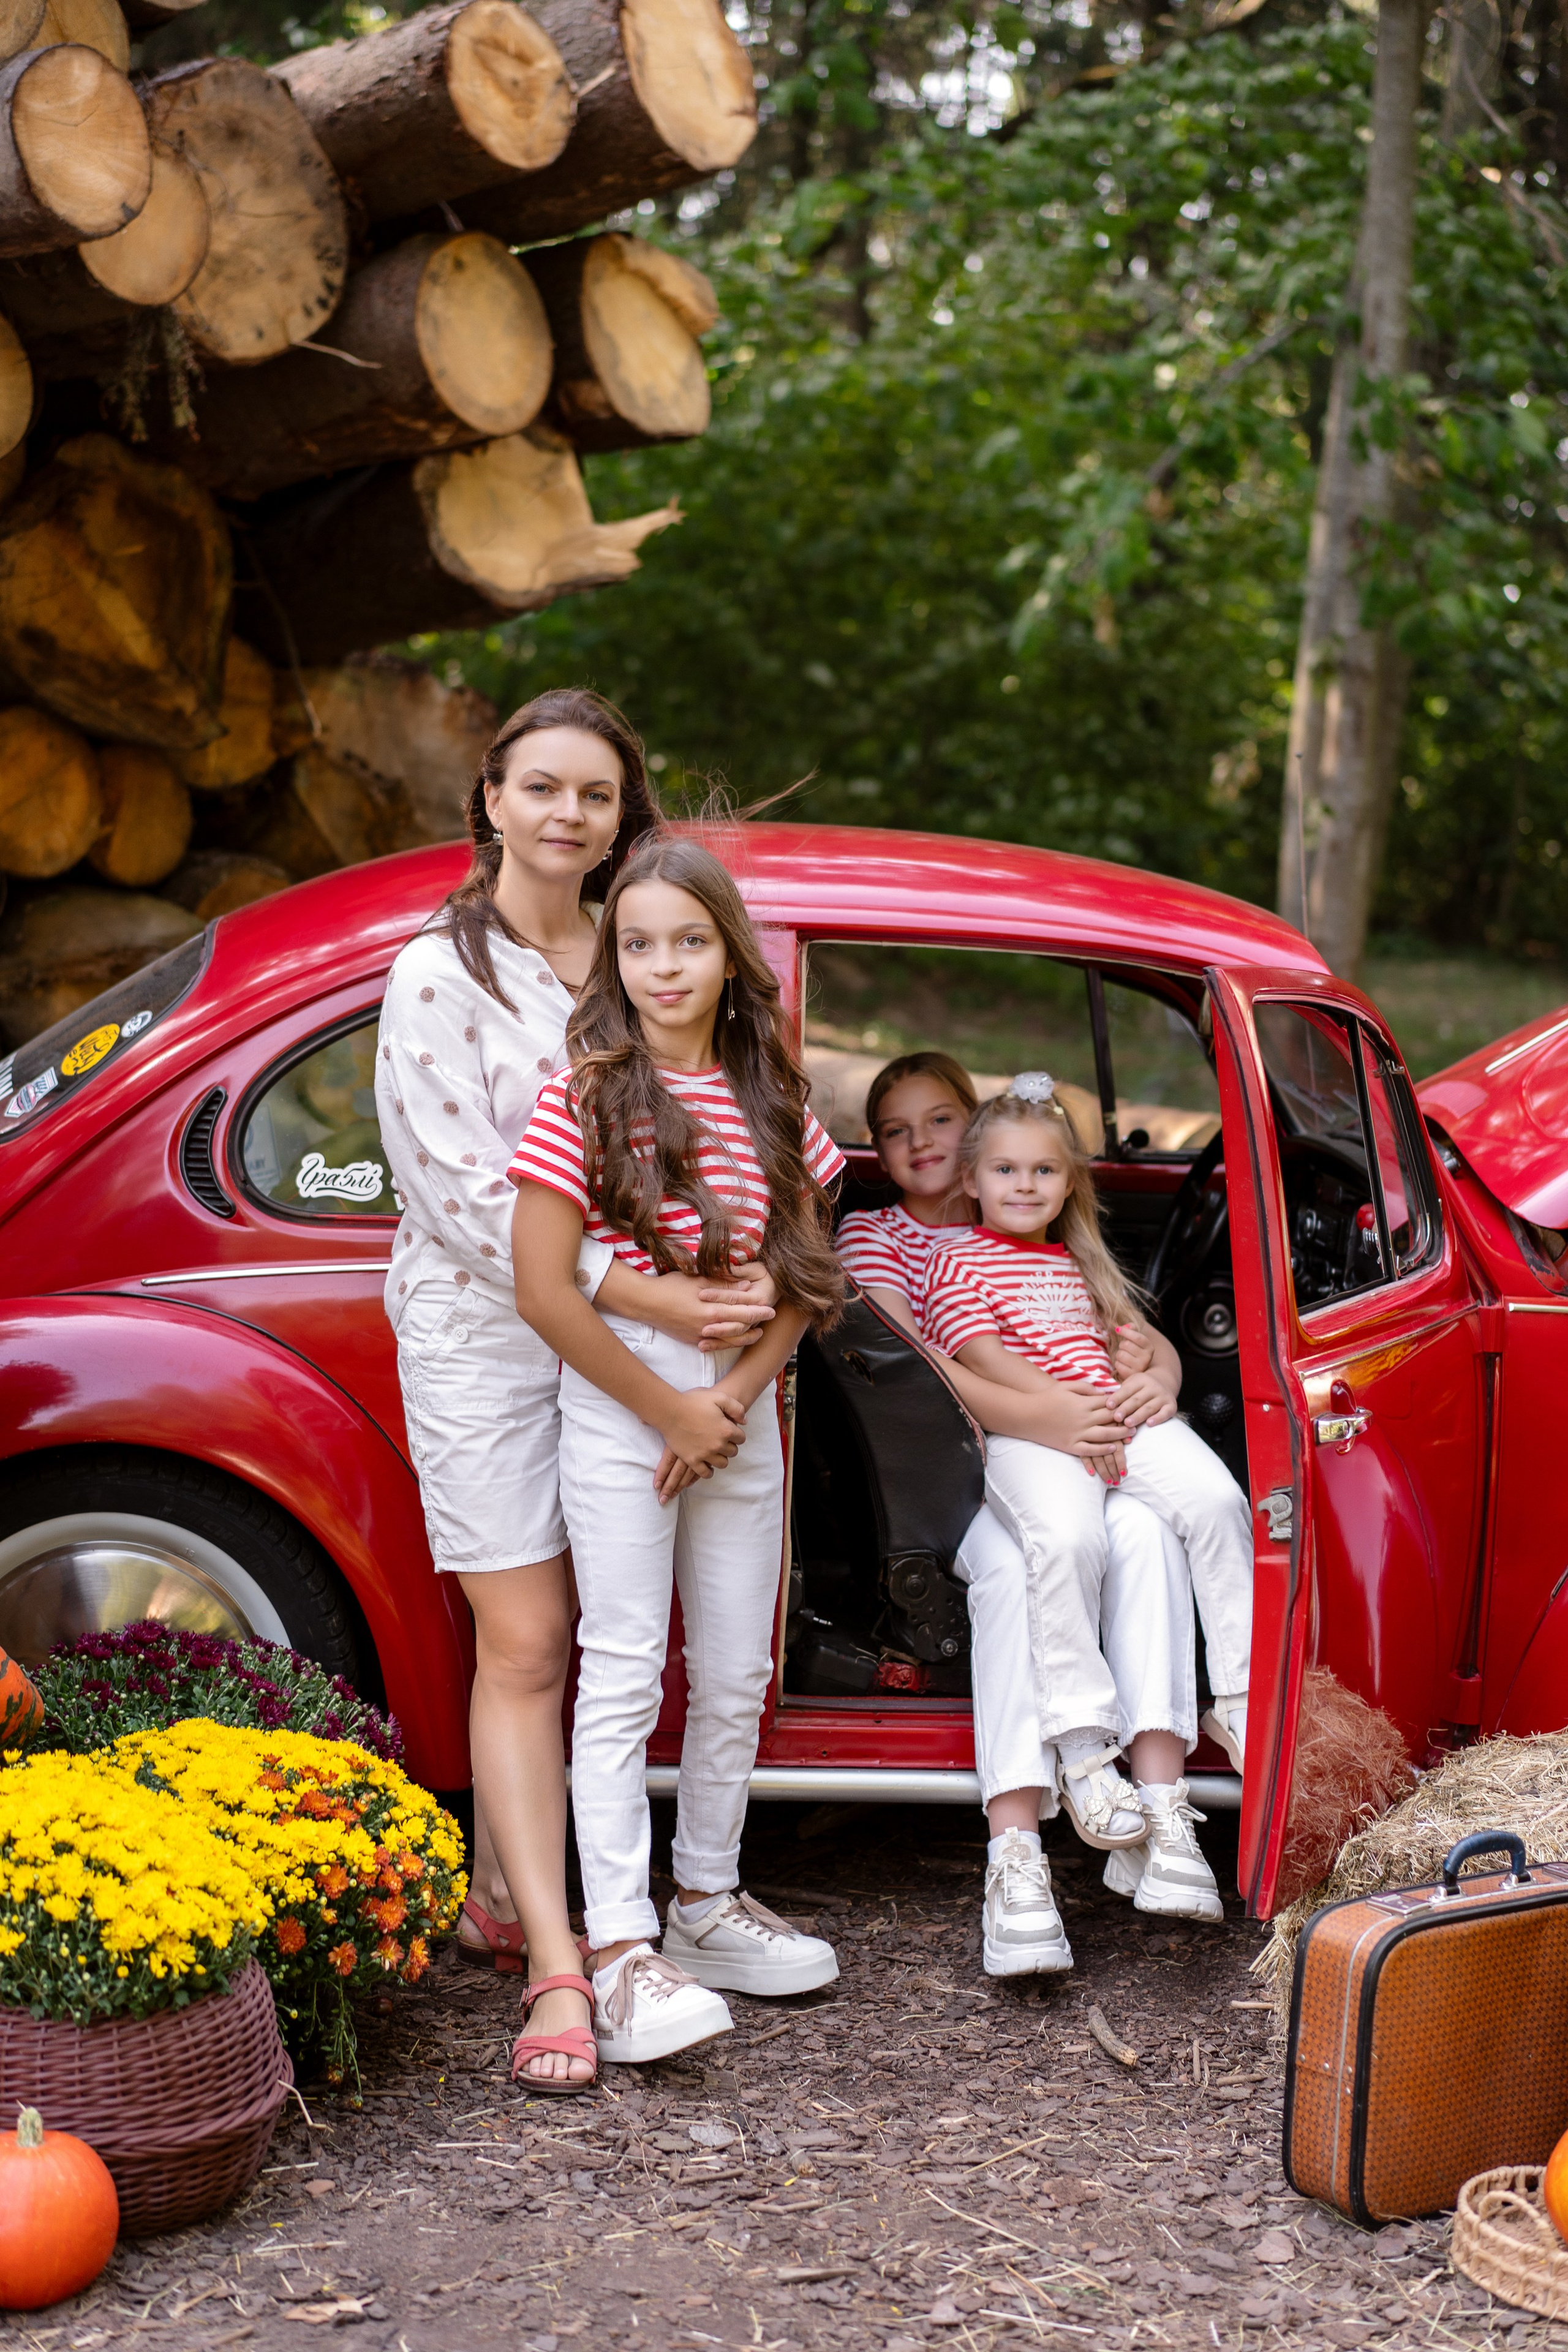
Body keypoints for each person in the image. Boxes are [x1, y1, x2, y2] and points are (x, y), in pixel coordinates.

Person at [377, 689, 778, 2096]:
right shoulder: (438, 975)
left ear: (622, 817)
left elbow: (712, 1116)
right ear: (490, 798)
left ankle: (525, 1892)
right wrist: (645, 1295)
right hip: (490, 1337)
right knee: (530, 1640)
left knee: (621, 1636)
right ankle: (562, 1962)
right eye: (539, 786)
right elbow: (462, 1195)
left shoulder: (629, 946)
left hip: (633, 1355)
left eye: (594, 794)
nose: (566, 813)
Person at [510, 832, 847, 2068]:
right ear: (614, 958)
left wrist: (733, 1402)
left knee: (735, 1668)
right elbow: (544, 1288)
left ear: (729, 956)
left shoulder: (774, 1096)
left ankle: (706, 1898)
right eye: (639, 944)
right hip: (622, 1404)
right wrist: (667, 1410)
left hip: (741, 1413)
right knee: (623, 1669)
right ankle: (618, 1946)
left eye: (690, 942)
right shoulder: (587, 1094)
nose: (664, 967)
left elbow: (807, 1275)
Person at [837, 1053, 1223, 1958]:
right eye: (895, 1130)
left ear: (974, 1129)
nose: (921, 1142)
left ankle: (1162, 1811)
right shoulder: (882, 1237)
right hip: (962, 1477)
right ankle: (1016, 1852)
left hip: (1077, 1450)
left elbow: (1120, 1331)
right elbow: (915, 1376)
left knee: (1147, 1533)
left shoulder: (1037, 1232)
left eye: (941, 1120)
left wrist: (1162, 1376)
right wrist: (1054, 1417)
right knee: (1012, 1574)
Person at [921, 1072, 1253, 1923]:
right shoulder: (954, 1259)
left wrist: (1152, 1378)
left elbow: (1136, 1346)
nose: (1024, 1185)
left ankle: (1241, 1697)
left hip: (1112, 1420)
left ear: (1069, 1183)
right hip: (1033, 1434)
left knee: (1216, 1502)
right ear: (972, 1180)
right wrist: (1071, 1414)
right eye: (1005, 1170)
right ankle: (1082, 1748)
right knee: (1068, 1542)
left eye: (1043, 1171)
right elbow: (981, 1358)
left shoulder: (1079, 1263)